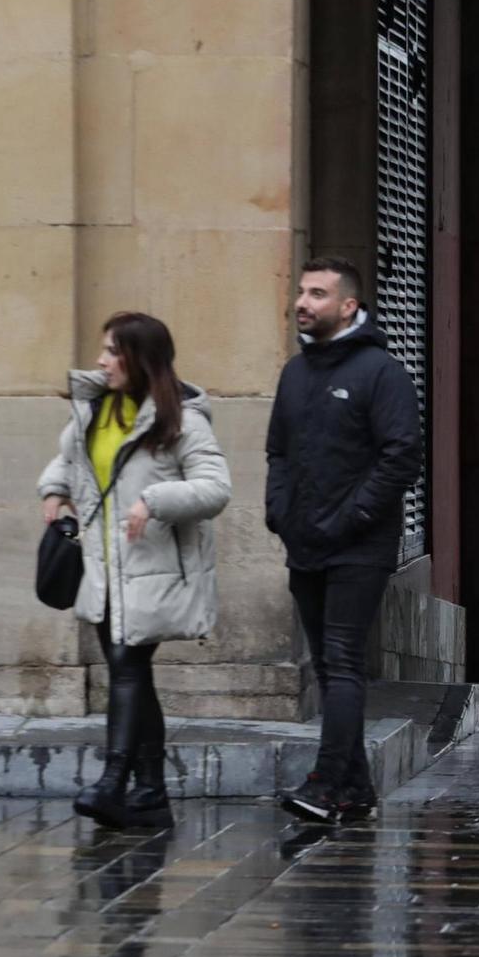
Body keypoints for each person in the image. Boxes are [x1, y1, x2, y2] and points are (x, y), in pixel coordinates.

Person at [40, 312, 232, 831]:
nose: (101, 361)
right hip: (101, 568)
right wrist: (55, 490)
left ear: (140, 359)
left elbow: (216, 488)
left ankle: (114, 781)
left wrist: (154, 498)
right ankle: (151, 795)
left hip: (152, 572)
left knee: (126, 665)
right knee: (132, 673)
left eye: (111, 351)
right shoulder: (95, 410)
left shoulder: (181, 421)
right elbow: (70, 459)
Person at [268, 258, 423, 824]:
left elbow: (402, 455)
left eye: (317, 293)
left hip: (358, 546)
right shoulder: (295, 372)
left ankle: (327, 782)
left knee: (341, 659)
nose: (303, 302)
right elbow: (278, 452)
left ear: (348, 306)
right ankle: (355, 789)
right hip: (304, 542)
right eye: (301, 290)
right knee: (330, 667)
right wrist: (277, 511)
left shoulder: (380, 372)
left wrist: (354, 514)